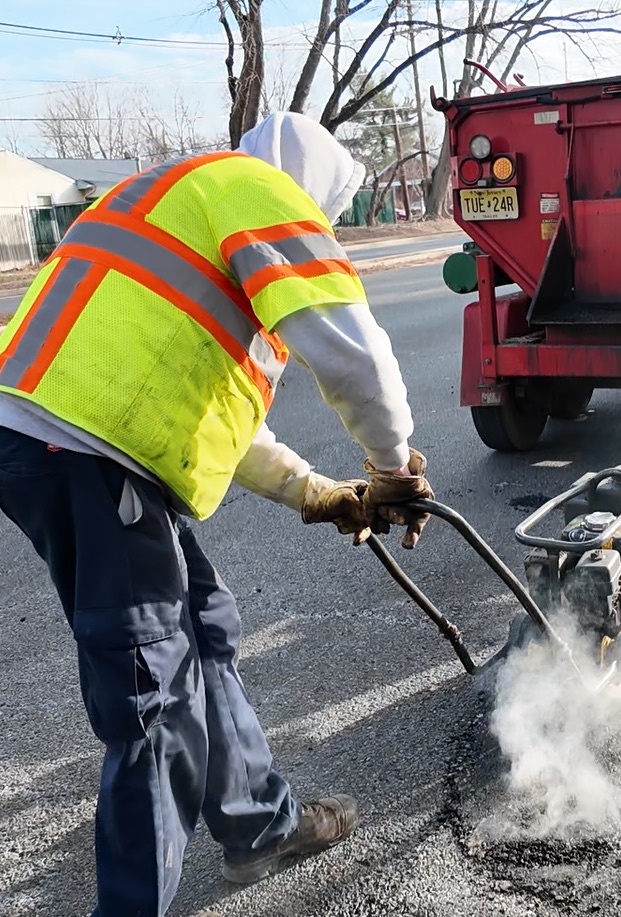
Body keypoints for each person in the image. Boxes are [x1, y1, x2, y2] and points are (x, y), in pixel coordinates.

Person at [0, 112, 434, 917]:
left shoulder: (179, 200)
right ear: (314, 199)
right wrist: (393, 465)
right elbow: (354, 352)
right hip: (83, 452)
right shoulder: (258, 194)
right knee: (153, 692)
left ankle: (260, 826)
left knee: (203, 623)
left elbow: (213, 421)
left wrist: (318, 490)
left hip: (75, 443)